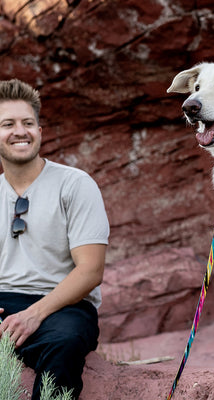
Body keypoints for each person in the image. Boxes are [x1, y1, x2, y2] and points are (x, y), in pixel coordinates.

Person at [0, 79, 110, 399]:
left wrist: (35, 314)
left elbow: (90, 270)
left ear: (40, 130)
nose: (20, 131)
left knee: (64, 343)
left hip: (64, 305)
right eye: (8, 124)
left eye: (28, 123)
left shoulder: (75, 185)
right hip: (4, 299)